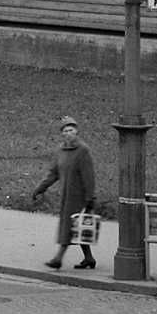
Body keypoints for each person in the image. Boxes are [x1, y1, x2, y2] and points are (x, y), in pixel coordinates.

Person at [34, 115, 98, 272]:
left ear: (76, 132)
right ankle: (89, 258)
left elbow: (89, 176)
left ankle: (58, 259)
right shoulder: (60, 151)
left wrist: (90, 197)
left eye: (71, 130)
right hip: (66, 196)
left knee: (70, 227)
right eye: (65, 131)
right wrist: (40, 188)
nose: (68, 133)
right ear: (62, 134)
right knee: (79, 227)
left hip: (80, 197)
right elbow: (53, 173)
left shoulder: (83, 151)